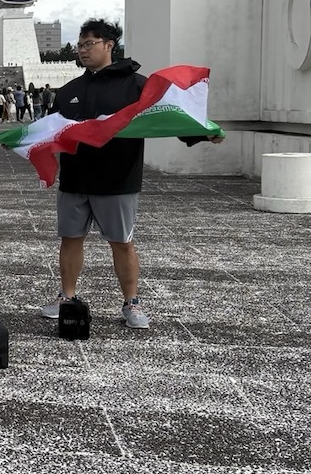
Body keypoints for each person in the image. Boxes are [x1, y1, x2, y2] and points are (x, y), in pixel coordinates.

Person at [38, 19, 223, 328]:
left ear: (109, 45)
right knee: (70, 239)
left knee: (121, 242)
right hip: (75, 178)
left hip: (118, 179)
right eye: (80, 45)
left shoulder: (137, 86)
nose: (82, 50)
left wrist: (202, 133)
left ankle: (132, 302)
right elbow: (50, 129)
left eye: (89, 44)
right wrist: (21, 141)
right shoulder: (69, 91)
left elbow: (167, 116)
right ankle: (66, 296)